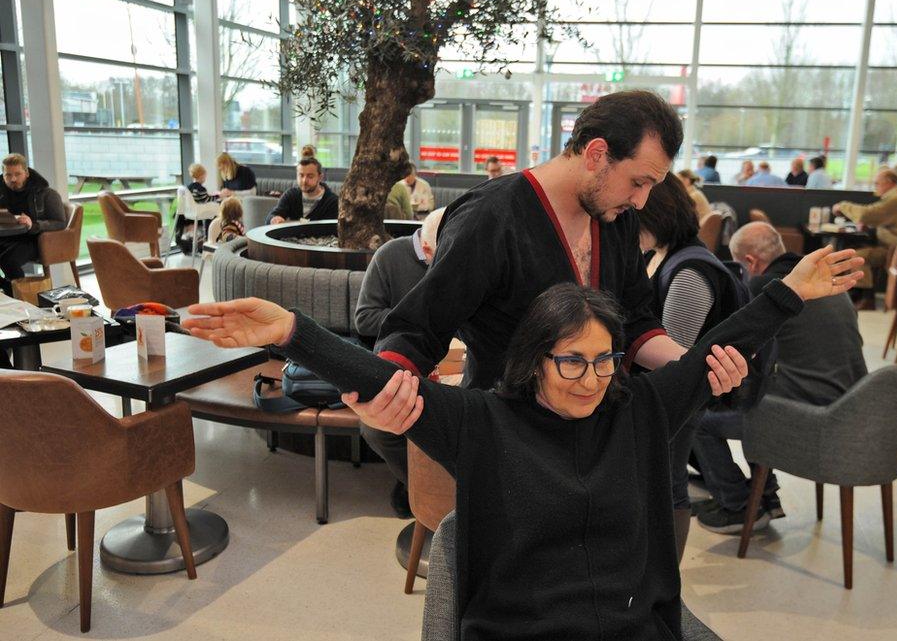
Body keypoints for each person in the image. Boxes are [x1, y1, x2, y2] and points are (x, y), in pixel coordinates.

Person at [184, 245, 861, 641]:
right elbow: (380, 377)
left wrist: (787, 291)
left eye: (604, 360)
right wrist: (289, 332)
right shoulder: (484, 423)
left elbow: (716, 346)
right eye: (572, 361)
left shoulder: (641, 409)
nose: (592, 379)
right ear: (535, 359)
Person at [353, 91, 736, 476]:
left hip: (597, 441)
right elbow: (420, 326)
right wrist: (382, 391)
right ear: (596, 154)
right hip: (507, 442)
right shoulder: (490, 216)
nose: (641, 201)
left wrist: (694, 364)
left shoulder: (616, 219)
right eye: (638, 182)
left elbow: (634, 319)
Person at [694, 222, 868, 534]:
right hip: (852, 407)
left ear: (749, 262)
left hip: (807, 414)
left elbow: (733, 345)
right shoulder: (820, 280)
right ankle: (766, 495)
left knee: (700, 418)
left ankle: (736, 504)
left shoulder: (766, 287)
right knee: (759, 393)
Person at [635, 172, 746, 557]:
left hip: (680, 399)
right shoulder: (671, 257)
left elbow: (673, 353)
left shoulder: (689, 272)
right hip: (678, 395)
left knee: (668, 483)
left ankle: (666, 579)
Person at [354, 208, 445, 517]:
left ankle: (451, 493)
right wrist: (414, 320)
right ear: (429, 247)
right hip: (396, 364)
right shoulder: (390, 256)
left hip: (448, 366)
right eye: (442, 255)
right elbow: (364, 319)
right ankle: (416, 485)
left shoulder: (458, 258)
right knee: (376, 430)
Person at [832, 169, 897, 309]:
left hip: (896, 250)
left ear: (890, 183)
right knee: (855, 253)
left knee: (857, 257)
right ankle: (860, 295)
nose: (875, 186)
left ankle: (866, 298)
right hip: (893, 246)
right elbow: (882, 220)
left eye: (877, 183)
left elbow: (866, 214)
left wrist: (842, 206)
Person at [0, 154, 67, 296]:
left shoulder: (46, 193)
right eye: (8, 175)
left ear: (27, 173)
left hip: (34, 239)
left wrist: (34, 225)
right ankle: (10, 289)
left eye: (18, 174)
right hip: (5, 237)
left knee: (8, 261)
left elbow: (60, 222)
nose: (13, 179)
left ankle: (20, 298)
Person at [267, 157, 339, 224]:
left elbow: (331, 229)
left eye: (310, 176)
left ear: (320, 177)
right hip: (291, 237)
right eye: (301, 175)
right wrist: (275, 219)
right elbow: (272, 216)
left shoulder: (332, 201)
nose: (304, 181)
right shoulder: (291, 195)